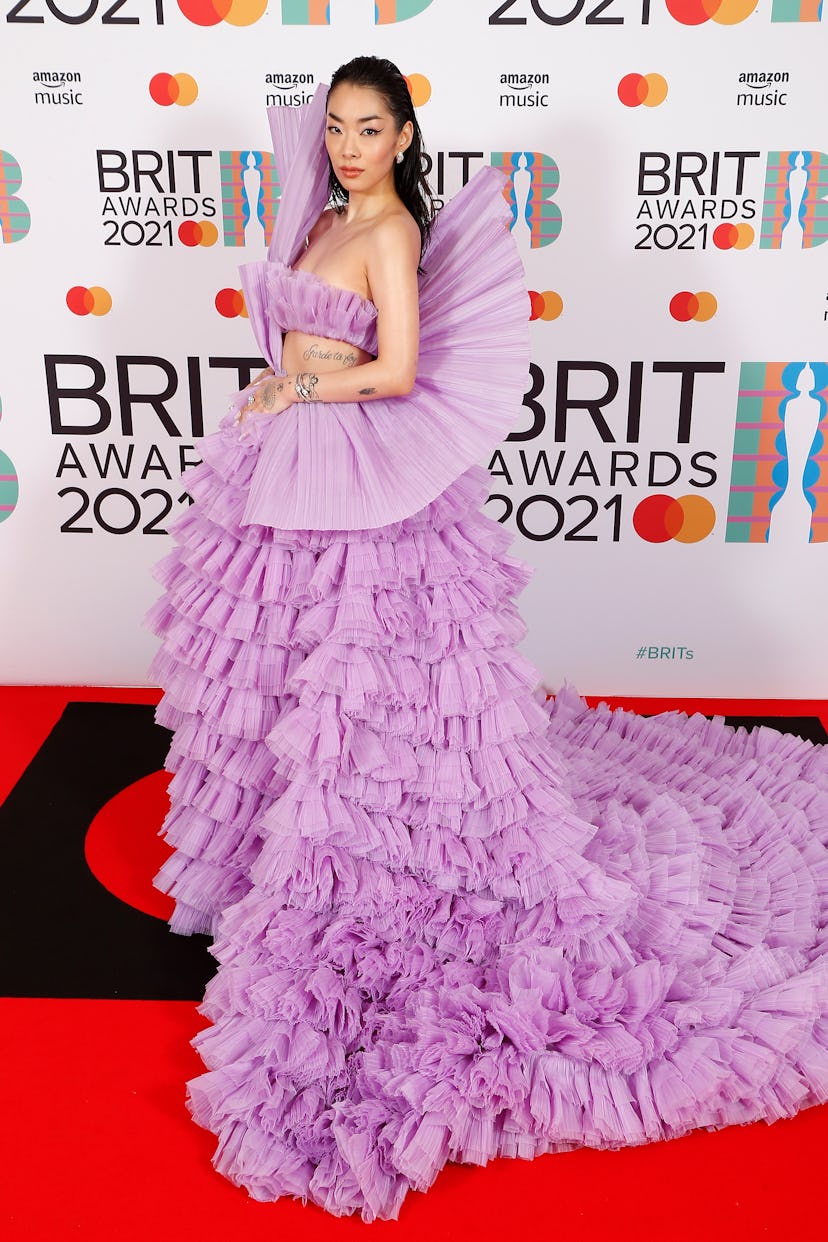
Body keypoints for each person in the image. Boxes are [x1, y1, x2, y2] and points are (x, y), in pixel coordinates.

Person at [147, 56, 828, 1222]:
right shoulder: (317, 214)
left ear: (408, 136)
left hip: (356, 474)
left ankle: (363, 845)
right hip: (282, 469)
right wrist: (274, 401)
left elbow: (401, 369)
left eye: (374, 129)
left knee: (366, 691)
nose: (354, 146)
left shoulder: (390, 234)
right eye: (342, 128)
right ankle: (262, 845)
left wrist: (297, 396)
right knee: (274, 675)